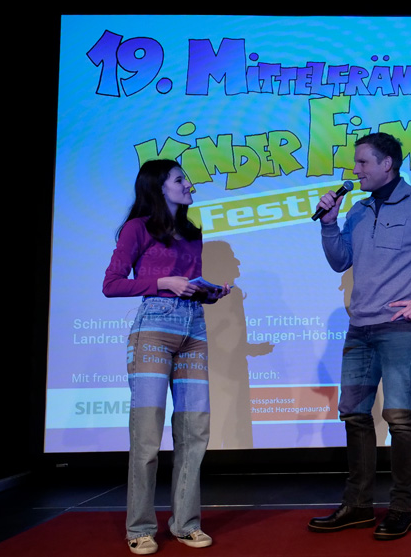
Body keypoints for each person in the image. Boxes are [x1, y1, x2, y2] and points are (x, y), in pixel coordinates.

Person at [308, 132, 411, 540]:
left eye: (363, 163)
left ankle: (401, 508)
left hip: (400, 328)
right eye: (356, 163)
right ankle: (358, 505)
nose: (355, 170)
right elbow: (340, 262)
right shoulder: (359, 210)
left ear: (388, 164)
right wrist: (329, 224)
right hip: (360, 327)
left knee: (399, 417)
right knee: (354, 415)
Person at [104, 159, 230, 555]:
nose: (189, 184)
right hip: (154, 329)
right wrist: (163, 282)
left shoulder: (192, 232)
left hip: (194, 329)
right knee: (147, 435)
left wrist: (209, 292)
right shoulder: (137, 228)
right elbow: (111, 284)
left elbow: (187, 286)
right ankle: (140, 528)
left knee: (195, 432)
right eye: (180, 179)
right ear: (159, 187)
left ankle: (186, 523)